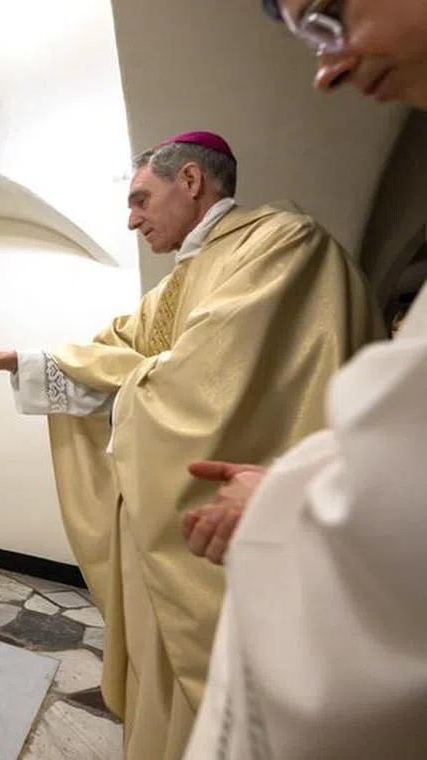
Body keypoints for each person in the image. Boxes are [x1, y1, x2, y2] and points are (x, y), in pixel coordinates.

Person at [0, 133, 383, 758]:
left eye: (140, 200)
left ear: (190, 180)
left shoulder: (282, 243)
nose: (132, 221)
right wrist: (16, 359)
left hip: (222, 524)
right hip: (160, 522)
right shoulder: (179, 281)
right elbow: (117, 350)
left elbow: (195, 382)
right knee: (157, 681)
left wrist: (128, 388)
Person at [183, 1, 427, 756]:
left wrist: (285, 498)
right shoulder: (191, 267)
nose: (325, 70)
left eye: (328, 13)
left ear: (189, 180)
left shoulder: (276, 238)